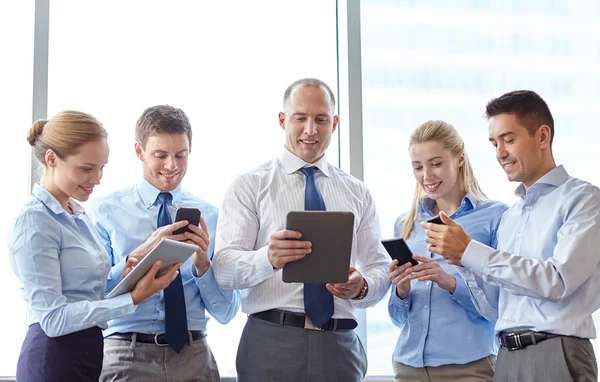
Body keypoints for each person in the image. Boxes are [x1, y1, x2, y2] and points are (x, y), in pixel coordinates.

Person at [212, 78, 390, 382]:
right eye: (300, 118)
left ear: (333, 123)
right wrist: (268, 258)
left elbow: (379, 268)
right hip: (271, 342)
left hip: (340, 346)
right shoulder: (250, 186)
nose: (311, 130)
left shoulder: (357, 193)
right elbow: (224, 270)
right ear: (283, 120)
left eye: (320, 119)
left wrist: (361, 287)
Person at [422, 90, 600, 382]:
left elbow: (558, 281)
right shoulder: (510, 217)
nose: (500, 153)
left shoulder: (583, 200)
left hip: (556, 352)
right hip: (506, 357)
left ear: (542, 137)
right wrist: (460, 262)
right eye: (494, 143)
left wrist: (470, 251)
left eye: (509, 139)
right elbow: (496, 307)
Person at [8, 111, 180, 382]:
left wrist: (133, 261)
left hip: (85, 353)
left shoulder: (77, 214)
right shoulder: (35, 221)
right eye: (87, 169)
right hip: (53, 358)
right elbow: (54, 319)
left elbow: (90, 292)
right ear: (51, 159)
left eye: (102, 168)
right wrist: (133, 299)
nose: (97, 179)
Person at [88, 105, 240, 382]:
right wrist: (141, 253)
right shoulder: (104, 212)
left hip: (194, 357)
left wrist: (203, 265)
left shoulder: (212, 217)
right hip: (125, 354)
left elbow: (227, 312)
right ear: (139, 152)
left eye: (181, 155)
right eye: (161, 155)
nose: (172, 165)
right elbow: (92, 298)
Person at [388, 120, 508, 382]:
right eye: (418, 167)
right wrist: (401, 291)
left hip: (469, 368)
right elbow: (397, 318)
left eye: (436, 163)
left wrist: (449, 281)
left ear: (460, 159)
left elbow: (502, 307)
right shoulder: (405, 224)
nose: (426, 176)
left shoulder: (495, 218)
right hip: (408, 367)